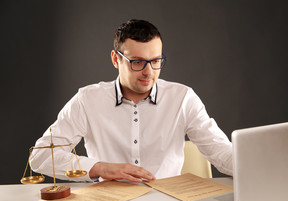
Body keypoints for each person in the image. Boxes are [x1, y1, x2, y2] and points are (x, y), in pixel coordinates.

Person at [31, 19, 232, 183]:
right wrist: (99, 168)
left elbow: (221, 153)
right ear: (115, 59)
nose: (148, 72)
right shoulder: (87, 100)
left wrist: (257, 167)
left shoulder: (183, 98)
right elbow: (40, 157)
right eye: (137, 62)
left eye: (155, 61)